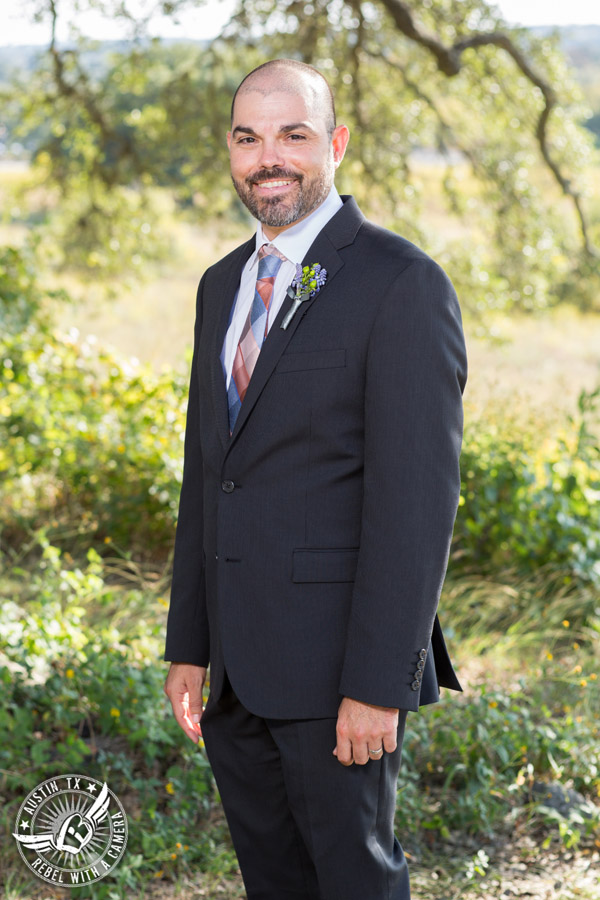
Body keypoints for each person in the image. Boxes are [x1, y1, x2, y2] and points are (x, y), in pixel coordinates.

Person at [163, 58, 467, 900]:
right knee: (274, 883)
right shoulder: (219, 285)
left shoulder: (400, 283)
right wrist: (189, 643)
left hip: (340, 675)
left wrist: (379, 686)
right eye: (249, 137)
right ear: (230, 150)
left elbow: (416, 504)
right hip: (233, 670)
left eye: (293, 135)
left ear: (334, 143)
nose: (271, 157)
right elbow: (208, 476)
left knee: (355, 883)